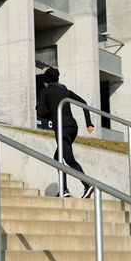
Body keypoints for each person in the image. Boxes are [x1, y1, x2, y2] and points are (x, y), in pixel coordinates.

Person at [36, 67, 94, 198]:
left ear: (46, 81)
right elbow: (84, 103)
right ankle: (64, 190)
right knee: (58, 157)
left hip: (61, 127)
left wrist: (44, 109)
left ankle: (87, 185)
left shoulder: (45, 91)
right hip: (73, 127)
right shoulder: (65, 91)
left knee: (68, 159)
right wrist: (89, 123)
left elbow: (40, 113)